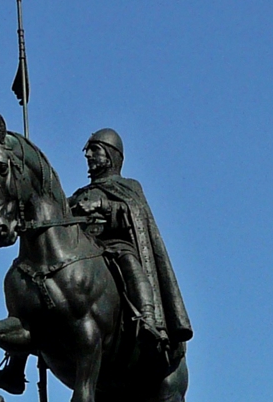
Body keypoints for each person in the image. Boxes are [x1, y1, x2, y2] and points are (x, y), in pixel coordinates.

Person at [69, 129, 192, 355]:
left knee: (131, 266)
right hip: (84, 251)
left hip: (116, 246)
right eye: (88, 151)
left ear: (110, 155)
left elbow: (134, 213)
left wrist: (102, 206)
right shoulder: (79, 194)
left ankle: (148, 320)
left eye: (94, 150)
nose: (88, 155)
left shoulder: (128, 187)